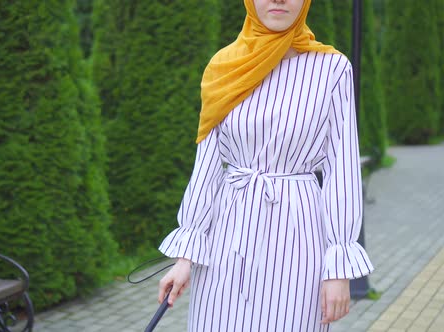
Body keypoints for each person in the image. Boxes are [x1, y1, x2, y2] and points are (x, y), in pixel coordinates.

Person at [158, 0, 374, 330]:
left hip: (298, 240)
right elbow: (208, 166)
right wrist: (185, 256)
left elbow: (341, 170)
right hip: (226, 241)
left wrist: (338, 269)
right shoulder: (224, 66)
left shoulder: (331, 69)